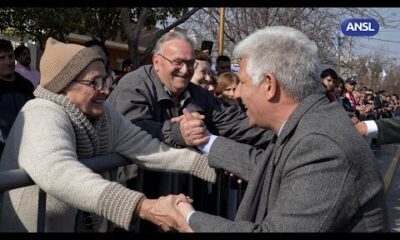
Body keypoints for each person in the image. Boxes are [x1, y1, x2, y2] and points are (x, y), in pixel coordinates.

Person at [153, 26, 388, 232]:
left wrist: (186, 218)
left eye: (243, 82)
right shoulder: (311, 123)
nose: (238, 93)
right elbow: (266, 165)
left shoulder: (323, 147)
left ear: (268, 85)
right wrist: (203, 140)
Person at [0, 37, 216, 232]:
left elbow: (148, 148)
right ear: (64, 86)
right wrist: (145, 207)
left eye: (107, 79)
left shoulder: (104, 116)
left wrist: (212, 165)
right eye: (95, 82)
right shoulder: (40, 112)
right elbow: (59, 172)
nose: (105, 90)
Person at [107, 31, 272, 228]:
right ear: (157, 61)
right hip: (135, 193)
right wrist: (177, 132)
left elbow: (236, 124)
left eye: (190, 63)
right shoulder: (133, 85)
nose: (185, 71)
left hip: (182, 197)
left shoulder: (199, 95)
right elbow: (132, 129)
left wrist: (284, 131)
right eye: (177, 62)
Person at [0, 39, 34, 157]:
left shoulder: (26, 85)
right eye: (2, 58)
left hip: (28, 148)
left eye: (10, 56)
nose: (8, 62)